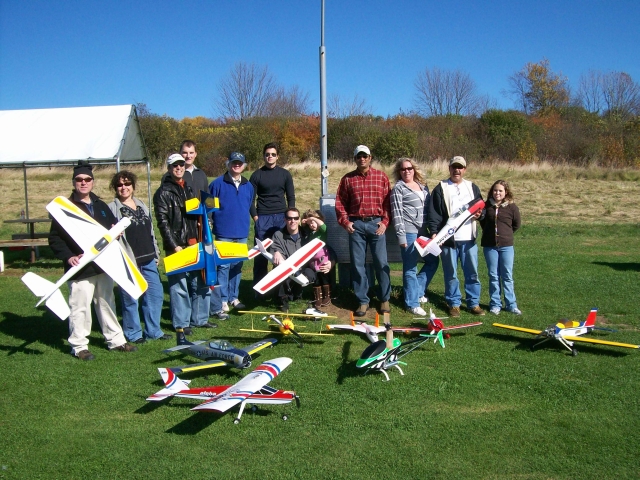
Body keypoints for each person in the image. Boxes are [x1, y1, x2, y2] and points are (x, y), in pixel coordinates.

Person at [48, 161, 137, 360]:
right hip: (80, 269)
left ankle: (116, 341)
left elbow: (109, 231)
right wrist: (68, 257)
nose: (83, 183)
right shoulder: (66, 208)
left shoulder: (101, 206)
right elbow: (54, 238)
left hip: (103, 267)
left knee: (107, 303)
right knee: (80, 307)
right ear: (74, 182)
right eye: (79, 180)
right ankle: (79, 346)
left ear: (92, 182)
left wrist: (116, 234)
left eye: (87, 179)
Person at [154, 153, 217, 334]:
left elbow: (201, 210)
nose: (179, 168)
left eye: (181, 165)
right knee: (179, 285)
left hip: (195, 242)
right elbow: (163, 222)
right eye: (175, 165)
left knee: (201, 281)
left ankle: (200, 319)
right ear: (169, 168)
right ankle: (181, 323)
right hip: (177, 245)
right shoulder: (163, 192)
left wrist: (206, 221)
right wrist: (174, 245)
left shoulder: (188, 189)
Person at [108, 170, 171, 343]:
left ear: (133, 186)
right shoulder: (112, 208)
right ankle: (134, 334)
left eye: (127, 184)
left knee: (155, 295)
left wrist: (156, 253)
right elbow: (107, 234)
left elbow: (150, 232)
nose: (124, 187)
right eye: (120, 185)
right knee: (130, 298)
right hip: (128, 260)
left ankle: (153, 331)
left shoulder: (141, 204)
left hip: (149, 258)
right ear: (115, 188)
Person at [335, 145, 392, 317]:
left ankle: (384, 298)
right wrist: (346, 222)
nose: (362, 159)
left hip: (376, 225)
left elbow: (387, 203)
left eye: (365, 156)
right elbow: (340, 203)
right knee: (358, 264)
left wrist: (385, 222)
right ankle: (362, 301)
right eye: (359, 156)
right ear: (355, 159)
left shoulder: (381, 177)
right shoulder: (347, 179)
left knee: (381, 263)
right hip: (356, 225)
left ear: (370, 157)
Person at [427, 156, 484, 318]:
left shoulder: (472, 187)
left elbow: (481, 208)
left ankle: (474, 303)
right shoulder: (441, 188)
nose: (457, 170)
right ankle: (454, 303)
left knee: (472, 272)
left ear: (464, 169)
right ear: (449, 168)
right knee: (451, 273)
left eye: (460, 167)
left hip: (469, 239)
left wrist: (480, 214)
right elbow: (435, 213)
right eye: (454, 167)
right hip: (448, 240)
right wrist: (434, 231)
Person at [390, 158, 439, 316]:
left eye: (409, 168)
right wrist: (402, 238)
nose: (407, 171)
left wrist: (432, 230)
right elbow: (397, 214)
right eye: (403, 169)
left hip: (423, 232)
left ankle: (415, 291)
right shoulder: (398, 188)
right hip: (409, 233)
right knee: (410, 267)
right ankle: (412, 303)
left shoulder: (423, 186)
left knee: (433, 260)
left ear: (414, 169)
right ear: (399, 172)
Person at [208, 152, 254, 319]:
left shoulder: (248, 185)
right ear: (228, 164)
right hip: (223, 232)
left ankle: (234, 297)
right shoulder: (217, 184)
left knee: (237, 266)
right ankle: (222, 300)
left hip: (241, 232)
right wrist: (210, 222)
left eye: (239, 163)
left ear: (243, 165)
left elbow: (248, 205)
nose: (236, 165)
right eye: (234, 162)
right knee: (224, 267)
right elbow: (209, 208)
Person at [250, 142, 296, 293]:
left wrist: (290, 218)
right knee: (261, 255)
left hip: (281, 218)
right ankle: (260, 290)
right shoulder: (256, 175)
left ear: (277, 156)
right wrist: (256, 218)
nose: (270, 157)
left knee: (281, 254)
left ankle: (282, 291)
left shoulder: (285, 174)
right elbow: (250, 199)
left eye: (273, 154)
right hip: (263, 217)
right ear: (264, 156)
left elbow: (291, 197)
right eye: (267, 154)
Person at [271, 208, 334, 312]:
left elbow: (327, 245)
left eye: (296, 218)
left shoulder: (307, 233)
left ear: (299, 220)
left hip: (302, 268)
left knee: (311, 275)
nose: (293, 221)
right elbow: (274, 247)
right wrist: (276, 252)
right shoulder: (278, 235)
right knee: (278, 269)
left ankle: (297, 293)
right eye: (289, 218)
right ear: (285, 220)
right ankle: (283, 299)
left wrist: (332, 262)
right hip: (286, 268)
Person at [480, 180, 522, 316]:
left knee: (507, 275)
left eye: (500, 191)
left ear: (506, 192)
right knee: (493, 275)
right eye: (495, 190)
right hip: (490, 246)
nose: (497, 193)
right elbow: (483, 223)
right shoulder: (487, 206)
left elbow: (516, 225)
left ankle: (511, 305)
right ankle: (495, 304)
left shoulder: (512, 207)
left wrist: (505, 235)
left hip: (506, 246)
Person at [301, 209, 335, 309]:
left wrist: (312, 218)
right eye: (310, 223)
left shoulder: (321, 232)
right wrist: (304, 222)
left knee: (324, 277)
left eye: (314, 222)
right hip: (312, 260)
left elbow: (323, 225)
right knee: (316, 279)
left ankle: (327, 296)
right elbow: (303, 228)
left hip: (322, 258)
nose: (312, 225)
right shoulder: (310, 233)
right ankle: (317, 298)